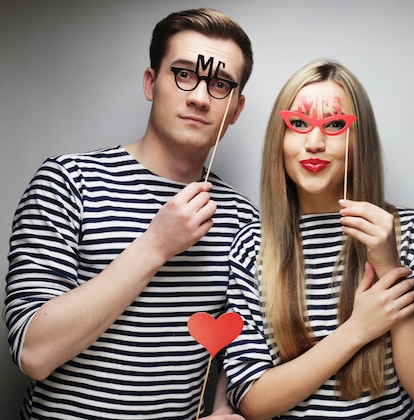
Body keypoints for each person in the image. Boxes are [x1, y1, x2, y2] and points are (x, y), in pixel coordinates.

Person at [3, 8, 257, 420]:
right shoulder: (68, 181)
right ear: (151, 82)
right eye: (184, 74)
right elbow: (33, 352)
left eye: (220, 84)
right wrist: (156, 245)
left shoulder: (244, 220)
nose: (198, 96)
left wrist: (227, 405)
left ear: (236, 107)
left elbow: (249, 335)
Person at [223, 59, 414, 419]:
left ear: (358, 138)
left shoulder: (413, 233)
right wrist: (357, 330)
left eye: (334, 125)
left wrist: (387, 265)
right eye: (299, 124)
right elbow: (254, 403)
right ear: (280, 137)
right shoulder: (251, 247)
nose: (315, 142)